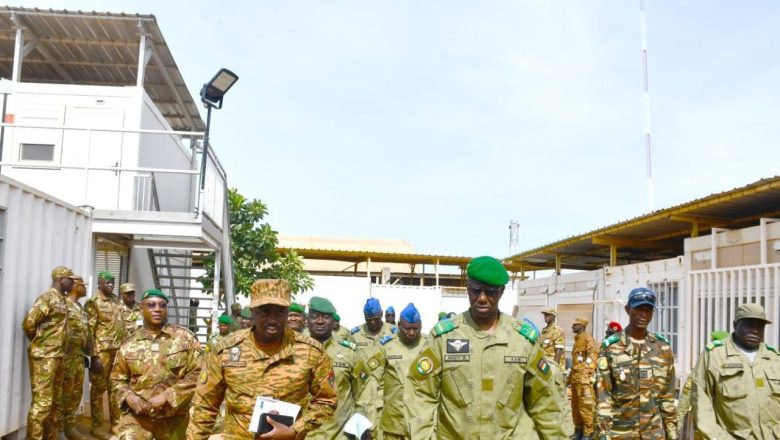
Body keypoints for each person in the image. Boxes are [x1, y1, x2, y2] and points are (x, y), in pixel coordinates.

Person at [406, 256, 564, 439]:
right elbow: (420, 394)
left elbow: (545, 401)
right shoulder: (445, 337)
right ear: (467, 289)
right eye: (475, 290)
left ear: (501, 292)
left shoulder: (522, 339)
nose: (482, 298)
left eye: (490, 291)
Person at [187, 279, 338, 439]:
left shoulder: (310, 351)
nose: (272, 319)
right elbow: (205, 406)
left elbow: (326, 401)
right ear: (252, 312)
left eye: (279, 312)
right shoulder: (227, 349)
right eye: (264, 312)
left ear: (288, 312)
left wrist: (296, 429)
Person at [111, 289, 202, 439]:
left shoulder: (185, 339)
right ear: (141, 308)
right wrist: (128, 396)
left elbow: (199, 373)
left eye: (162, 305)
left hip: (174, 418)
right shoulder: (128, 345)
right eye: (151, 305)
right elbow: (117, 379)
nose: (157, 309)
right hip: (139, 419)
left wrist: (168, 395)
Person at [594, 287, 677, 439]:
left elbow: (667, 395)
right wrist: (603, 433)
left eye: (648, 310)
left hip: (653, 433)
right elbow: (603, 395)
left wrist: (671, 431)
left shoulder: (662, 347)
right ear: (627, 309)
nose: (643, 315)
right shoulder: (611, 347)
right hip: (620, 432)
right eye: (638, 309)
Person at [691, 303, 780, 439]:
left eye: (760, 326)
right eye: (749, 324)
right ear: (735, 325)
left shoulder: (774, 357)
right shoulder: (715, 355)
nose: (755, 330)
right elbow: (701, 401)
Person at [22, 265, 77, 440]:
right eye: (70, 279)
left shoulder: (63, 300)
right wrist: (42, 344)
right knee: (42, 404)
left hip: (59, 357)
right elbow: (29, 324)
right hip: (44, 358)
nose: (73, 283)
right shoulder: (47, 298)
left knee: (56, 403)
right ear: (60, 279)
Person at [306, 296, 365, 440]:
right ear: (307, 320)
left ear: (333, 321)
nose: (320, 321)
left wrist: (361, 425)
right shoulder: (295, 352)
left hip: (341, 434)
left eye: (326, 317)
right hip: (306, 434)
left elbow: (363, 390)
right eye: (314, 317)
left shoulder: (349, 353)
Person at [84, 270, 126, 438]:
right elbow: (89, 332)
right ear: (99, 284)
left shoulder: (117, 301)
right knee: (98, 390)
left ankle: (116, 424)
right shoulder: (93, 303)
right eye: (107, 282)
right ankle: (97, 425)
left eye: (112, 282)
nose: (110, 285)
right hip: (101, 353)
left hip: (117, 352)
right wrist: (93, 356)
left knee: (115, 388)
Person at [377, 303, 423, 440]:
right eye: (407, 328)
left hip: (421, 422)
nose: (411, 333)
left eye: (416, 328)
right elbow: (373, 380)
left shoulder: (429, 345)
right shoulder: (387, 346)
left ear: (421, 325)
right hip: (393, 420)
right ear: (398, 325)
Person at [677, 330, 728, 437]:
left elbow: (686, 397)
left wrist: (678, 423)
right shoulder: (701, 369)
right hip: (707, 430)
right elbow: (687, 396)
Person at [61, 275, 92, 439]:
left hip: (79, 358)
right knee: (62, 395)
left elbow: (88, 333)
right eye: (83, 285)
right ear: (75, 287)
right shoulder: (64, 305)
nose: (85, 288)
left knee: (75, 394)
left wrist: (91, 353)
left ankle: (69, 427)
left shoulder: (80, 307)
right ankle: (58, 429)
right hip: (65, 357)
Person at [569, 317, 598, 440]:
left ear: (581, 326)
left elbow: (592, 357)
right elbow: (576, 362)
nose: (572, 327)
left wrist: (586, 375)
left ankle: (588, 433)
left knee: (585, 407)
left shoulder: (588, 338)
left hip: (583, 380)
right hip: (575, 379)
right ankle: (578, 430)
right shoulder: (577, 340)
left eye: (575, 325)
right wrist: (569, 379)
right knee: (575, 407)